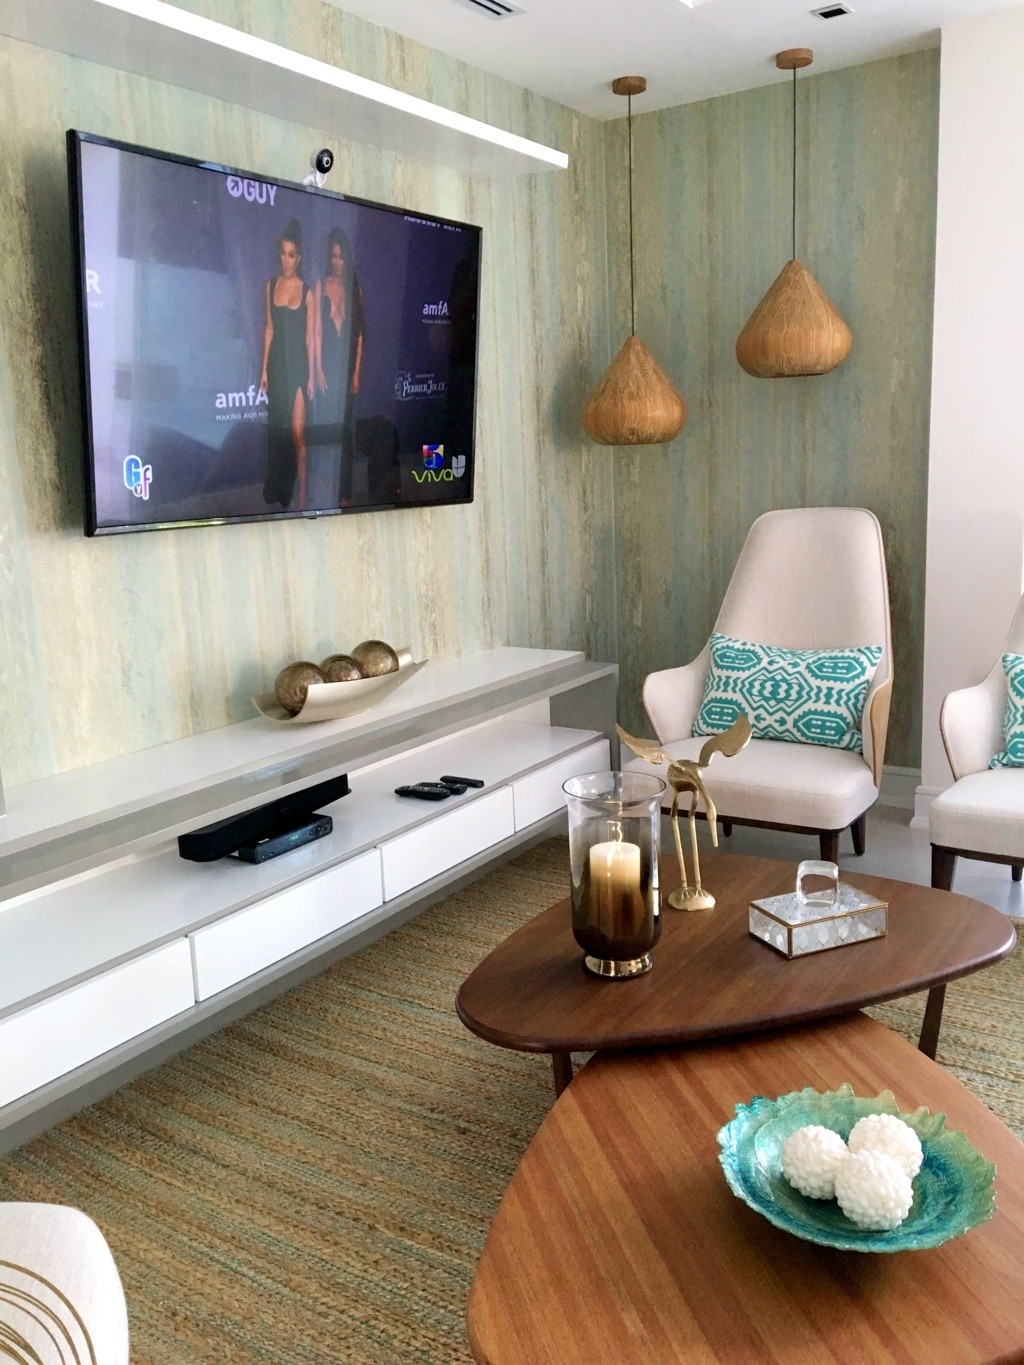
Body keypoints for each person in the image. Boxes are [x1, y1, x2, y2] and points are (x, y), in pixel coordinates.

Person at [259, 218, 316, 508]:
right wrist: (263, 370)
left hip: (299, 369)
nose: (286, 260)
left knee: (297, 432)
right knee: (278, 430)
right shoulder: (270, 286)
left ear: (299, 258)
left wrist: (312, 376)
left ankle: (303, 487)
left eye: (291, 254)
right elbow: (269, 328)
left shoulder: (308, 292)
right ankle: (278, 489)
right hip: (277, 369)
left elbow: (310, 338)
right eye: (282, 253)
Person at [311, 228, 366, 507]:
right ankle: (325, 488)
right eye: (333, 256)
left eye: (341, 256)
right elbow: (317, 333)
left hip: (346, 371)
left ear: (347, 259)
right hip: (327, 368)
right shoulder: (320, 285)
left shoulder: (356, 290)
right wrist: (318, 369)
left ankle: (343, 492)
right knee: (327, 428)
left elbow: (360, 335)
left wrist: (356, 372)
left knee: (345, 431)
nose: (336, 261)